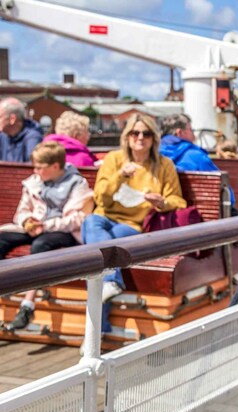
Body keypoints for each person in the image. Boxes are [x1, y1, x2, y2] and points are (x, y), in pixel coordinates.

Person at [81, 114, 186, 301]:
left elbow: (178, 200)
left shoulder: (164, 165)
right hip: (104, 217)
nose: (140, 138)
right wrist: (120, 175)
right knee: (91, 222)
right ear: (127, 136)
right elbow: (101, 197)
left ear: (154, 138)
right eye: (134, 133)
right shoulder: (114, 159)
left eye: (146, 134)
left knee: (100, 248)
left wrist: (162, 203)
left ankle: (102, 319)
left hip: (133, 224)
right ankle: (111, 281)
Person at [0, 141, 93, 330]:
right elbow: (22, 211)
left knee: (40, 246)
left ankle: (28, 304)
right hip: (35, 227)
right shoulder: (34, 181)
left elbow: (77, 219)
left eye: (40, 167)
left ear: (55, 166)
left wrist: (45, 225)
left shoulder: (77, 183)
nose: (35, 170)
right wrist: (27, 221)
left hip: (62, 231)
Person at [159, 113, 236, 209]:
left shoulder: (154, 156)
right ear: (180, 133)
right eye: (191, 130)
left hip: (163, 213)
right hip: (197, 214)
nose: (194, 136)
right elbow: (222, 187)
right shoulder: (195, 156)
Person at [0, 97, 43, 163]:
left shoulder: (32, 138)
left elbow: (34, 166)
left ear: (12, 119)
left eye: (0, 117)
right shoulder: (3, 136)